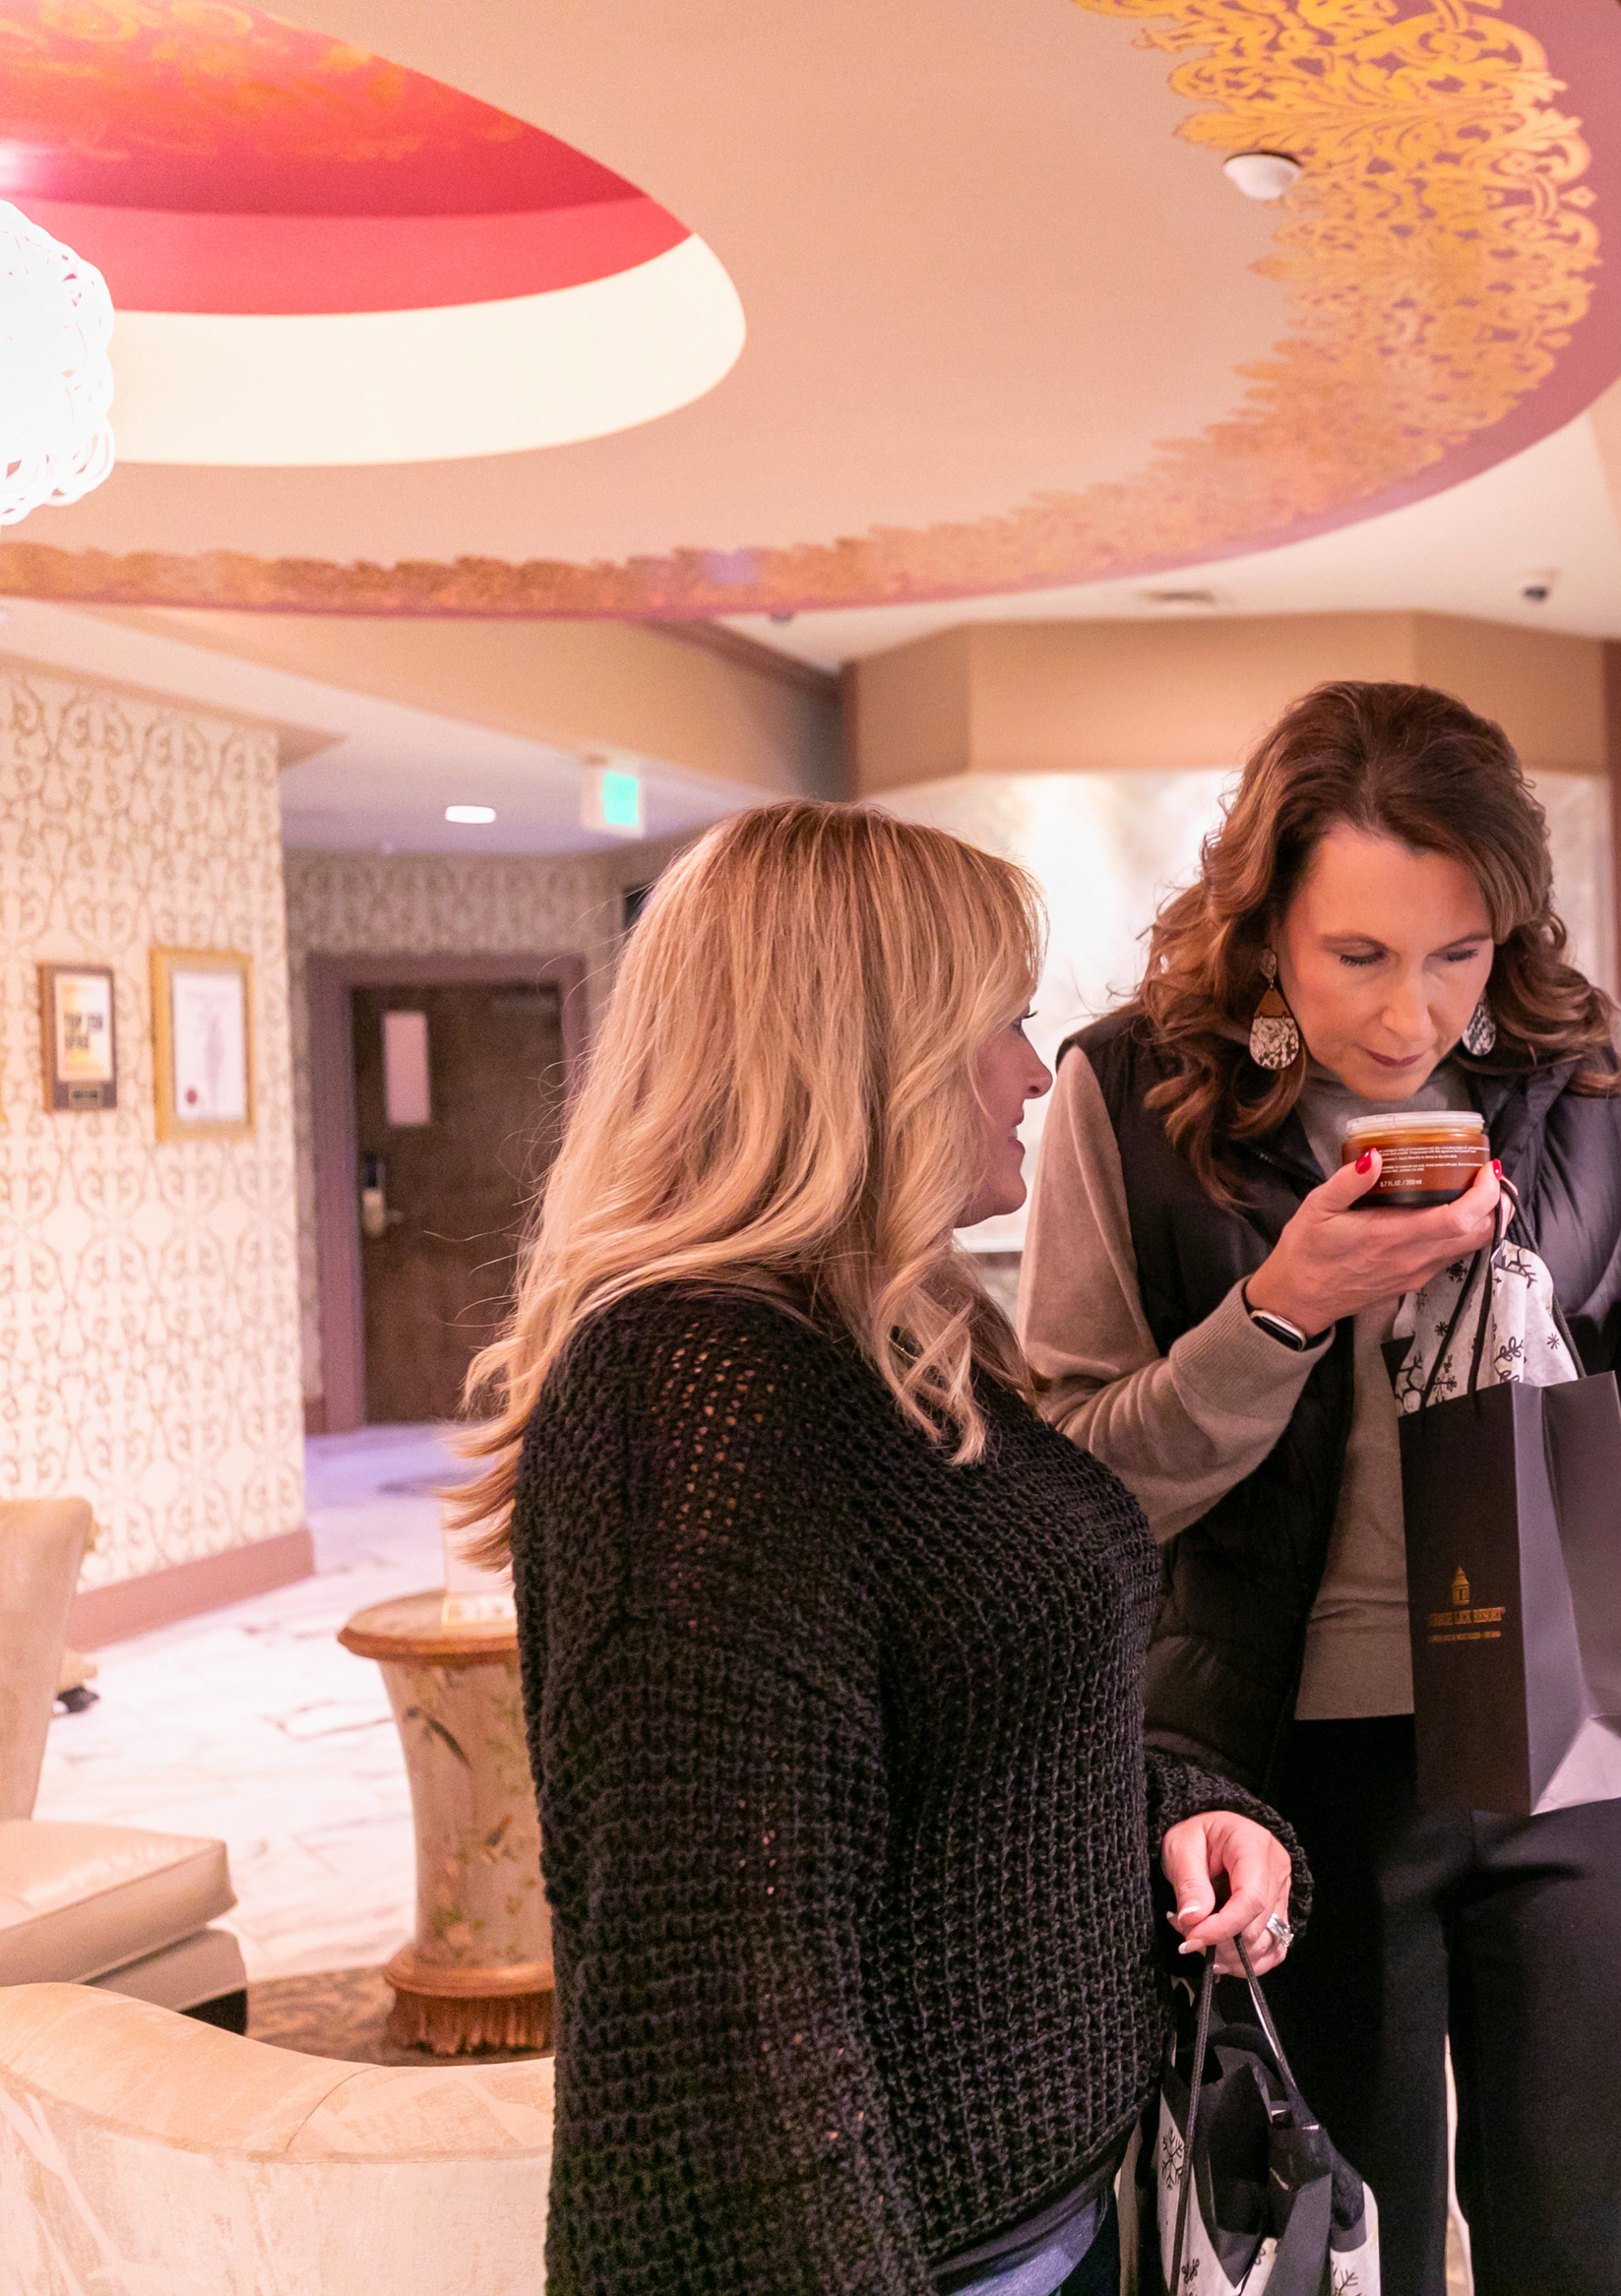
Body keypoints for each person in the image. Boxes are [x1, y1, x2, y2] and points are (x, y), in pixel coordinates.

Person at [451, 802, 1304, 2296]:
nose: (1037, 1072)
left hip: (1051, 2209)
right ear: (867, 1051)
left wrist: (1176, 1807)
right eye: (1003, 1023)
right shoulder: (697, 1391)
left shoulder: (892, 1332)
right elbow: (726, 2003)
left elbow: (950, 1732)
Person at [1021, 680, 1621, 2296]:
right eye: (1359, 954)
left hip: (1564, 1717)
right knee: (1346, 2258)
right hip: (1288, 1762)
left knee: (1586, 2254)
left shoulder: (1577, 1064)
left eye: (1458, 952)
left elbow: (1618, 1385)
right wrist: (1281, 1307)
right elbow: (1081, 1481)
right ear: (1264, 916)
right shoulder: (1130, 1096)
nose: (1411, 1011)